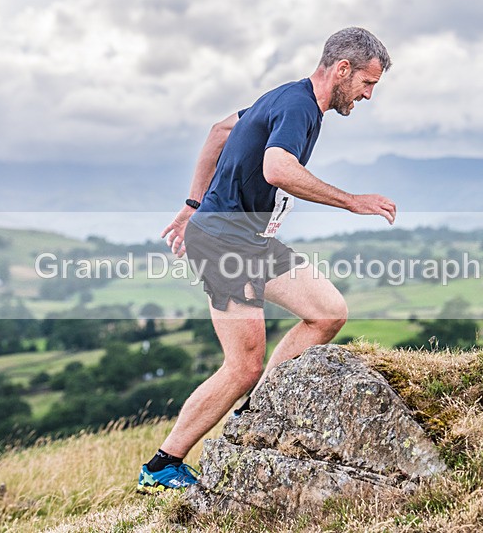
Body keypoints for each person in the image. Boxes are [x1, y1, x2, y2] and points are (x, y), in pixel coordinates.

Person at [138, 27, 396, 492]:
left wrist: (193, 204)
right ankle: (161, 466)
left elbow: (220, 130)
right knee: (243, 365)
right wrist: (352, 200)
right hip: (223, 241)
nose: (368, 95)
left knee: (328, 312)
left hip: (248, 238)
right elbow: (277, 169)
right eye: (367, 83)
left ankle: (263, 409)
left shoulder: (288, 98)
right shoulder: (299, 106)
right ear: (343, 69)